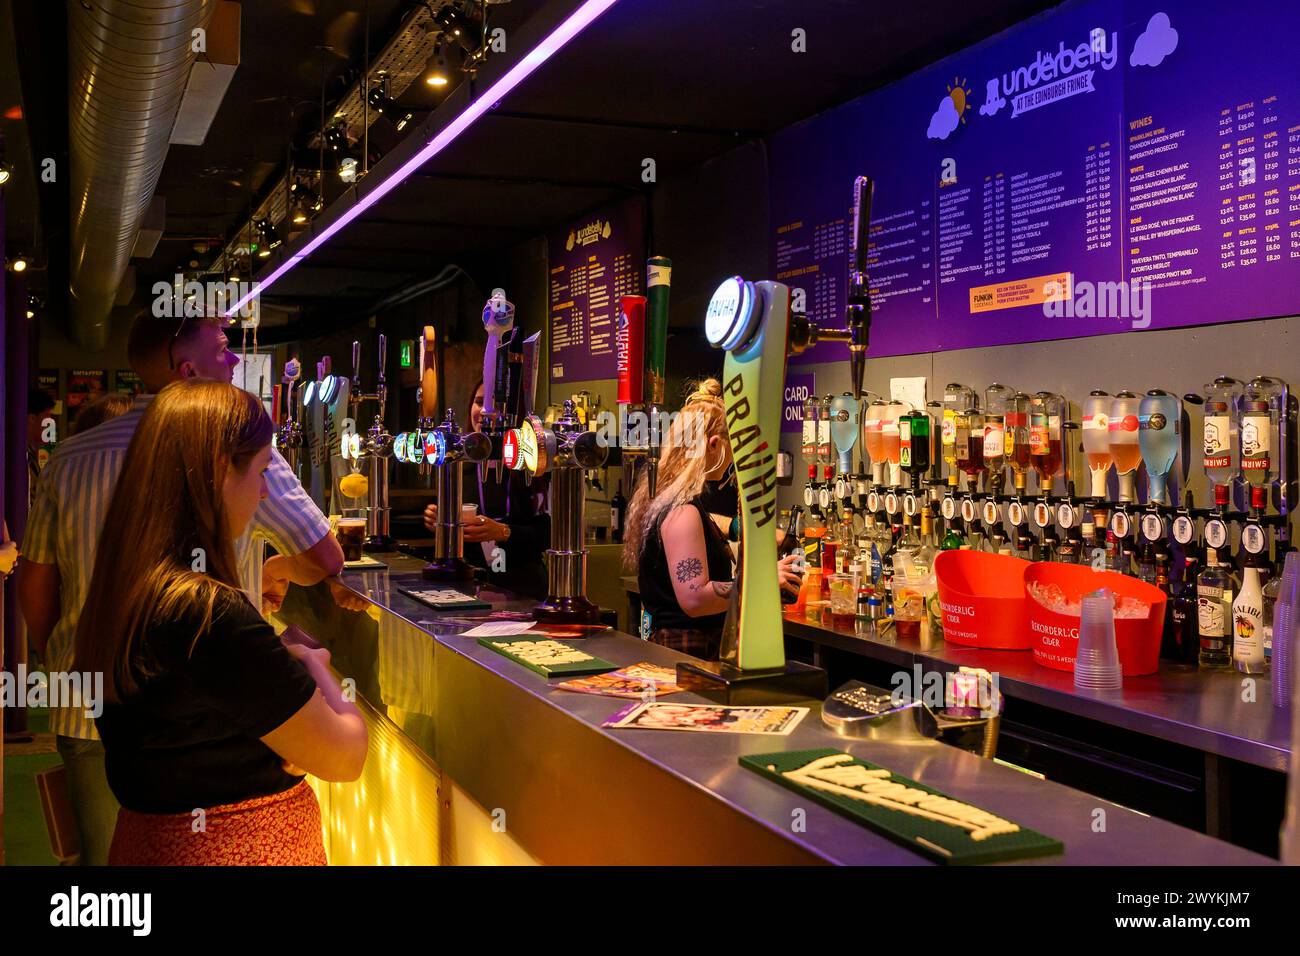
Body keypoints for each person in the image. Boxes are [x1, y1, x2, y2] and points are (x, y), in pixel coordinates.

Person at [18, 308, 343, 865]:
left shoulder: (69, 458)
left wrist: (71, 661)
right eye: (223, 348)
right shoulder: (238, 445)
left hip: (89, 699)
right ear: (187, 371)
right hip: (217, 715)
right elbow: (326, 554)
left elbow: (38, 587)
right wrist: (279, 578)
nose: (236, 358)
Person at [73, 380, 367, 865]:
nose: (265, 488)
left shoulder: (126, 589)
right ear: (218, 471)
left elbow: (200, 718)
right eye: (261, 469)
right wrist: (316, 666)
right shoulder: (205, 614)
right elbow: (345, 756)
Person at [622, 379, 801, 660]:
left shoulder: (666, 500)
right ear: (715, 444)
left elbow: (703, 528)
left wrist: (739, 528)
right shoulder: (683, 511)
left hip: (673, 650)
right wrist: (761, 581)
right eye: (733, 448)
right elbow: (695, 598)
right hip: (688, 655)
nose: (732, 461)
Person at [422, 380, 550, 597]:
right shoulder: (458, 464)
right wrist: (440, 523)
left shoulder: (532, 463)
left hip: (522, 586)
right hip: (471, 583)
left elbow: (549, 533)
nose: (483, 412)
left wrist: (504, 532)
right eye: (478, 402)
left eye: (493, 406)